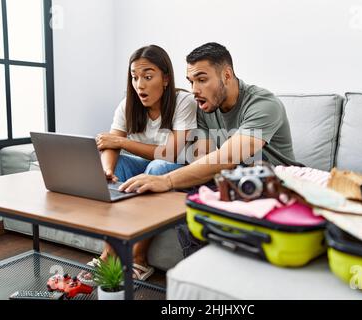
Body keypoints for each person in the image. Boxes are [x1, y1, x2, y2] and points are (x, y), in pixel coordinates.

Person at [117, 42, 301, 196]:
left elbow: (227, 157)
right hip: (236, 184)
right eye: (191, 81)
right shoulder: (204, 108)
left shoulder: (263, 104)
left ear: (227, 75)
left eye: (202, 80)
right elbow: (203, 159)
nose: (194, 90)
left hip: (280, 184)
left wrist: (166, 180)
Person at [88, 45, 197, 281]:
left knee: (155, 169)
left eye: (148, 77)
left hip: (177, 167)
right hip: (142, 165)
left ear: (165, 78)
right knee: (110, 168)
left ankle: (139, 257)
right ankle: (109, 252)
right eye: (135, 77)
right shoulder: (127, 104)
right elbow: (110, 144)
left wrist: (121, 141)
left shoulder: (183, 101)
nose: (140, 85)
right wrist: (107, 171)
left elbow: (170, 153)